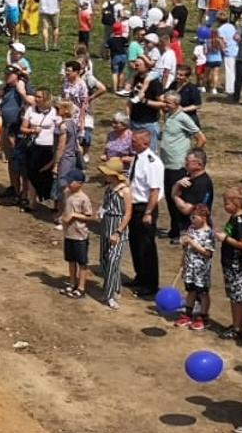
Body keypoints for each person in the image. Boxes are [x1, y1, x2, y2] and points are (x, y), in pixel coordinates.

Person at [160, 97, 208, 240]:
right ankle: (174, 228)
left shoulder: (183, 118)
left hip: (178, 166)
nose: (164, 104)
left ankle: (182, 229)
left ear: (175, 104)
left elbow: (201, 138)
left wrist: (191, 158)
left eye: (167, 102)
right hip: (166, 164)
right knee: (169, 198)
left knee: (178, 199)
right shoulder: (168, 116)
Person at [127, 129, 166, 298]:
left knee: (146, 247)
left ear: (146, 143)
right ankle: (140, 276)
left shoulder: (152, 162)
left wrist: (148, 212)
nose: (132, 143)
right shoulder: (137, 158)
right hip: (134, 206)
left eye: (135, 141)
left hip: (145, 207)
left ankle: (150, 284)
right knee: (135, 243)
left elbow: (154, 191)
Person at [219, 186, 242, 341]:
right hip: (230, 264)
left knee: (238, 297)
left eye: (226, 203)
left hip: (237, 266)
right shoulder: (234, 219)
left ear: (235, 203)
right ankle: (236, 324)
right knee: (233, 297)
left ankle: (238, 328)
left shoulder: (240, 222)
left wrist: (225, 239)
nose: (224, 206)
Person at [97, 157, 133, 310]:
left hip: (117, 227)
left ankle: (109, 294)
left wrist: (118, 232)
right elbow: (106, 206)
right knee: (104, 259)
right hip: (106, 224)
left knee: (113, 260)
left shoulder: (124, 191)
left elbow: (128, 213)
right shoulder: (109, 189)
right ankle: (115, 285)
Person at [178, 203, 215, 330]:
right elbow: (186, 248)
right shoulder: (191, 229)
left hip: (201, 270)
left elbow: (208, 253)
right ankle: (187, 314)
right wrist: (183, 261)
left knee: (203, 293)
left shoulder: (209, 233)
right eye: (191, 217)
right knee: (190, 291)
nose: (192, 220)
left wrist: (192, 243)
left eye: (195, 217)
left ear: (203, 217)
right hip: (190, 267)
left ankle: (203, 317)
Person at [58, 177, 95, 299]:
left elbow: (89, 216)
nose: (69, 184)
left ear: (80, 184)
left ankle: (81, 287)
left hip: (80, 235)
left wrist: (74, 215)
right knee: (71, 260)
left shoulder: (84, 198)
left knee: (82, 262)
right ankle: (72, 283)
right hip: (69, 233)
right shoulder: (67, 193)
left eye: (72, 182)